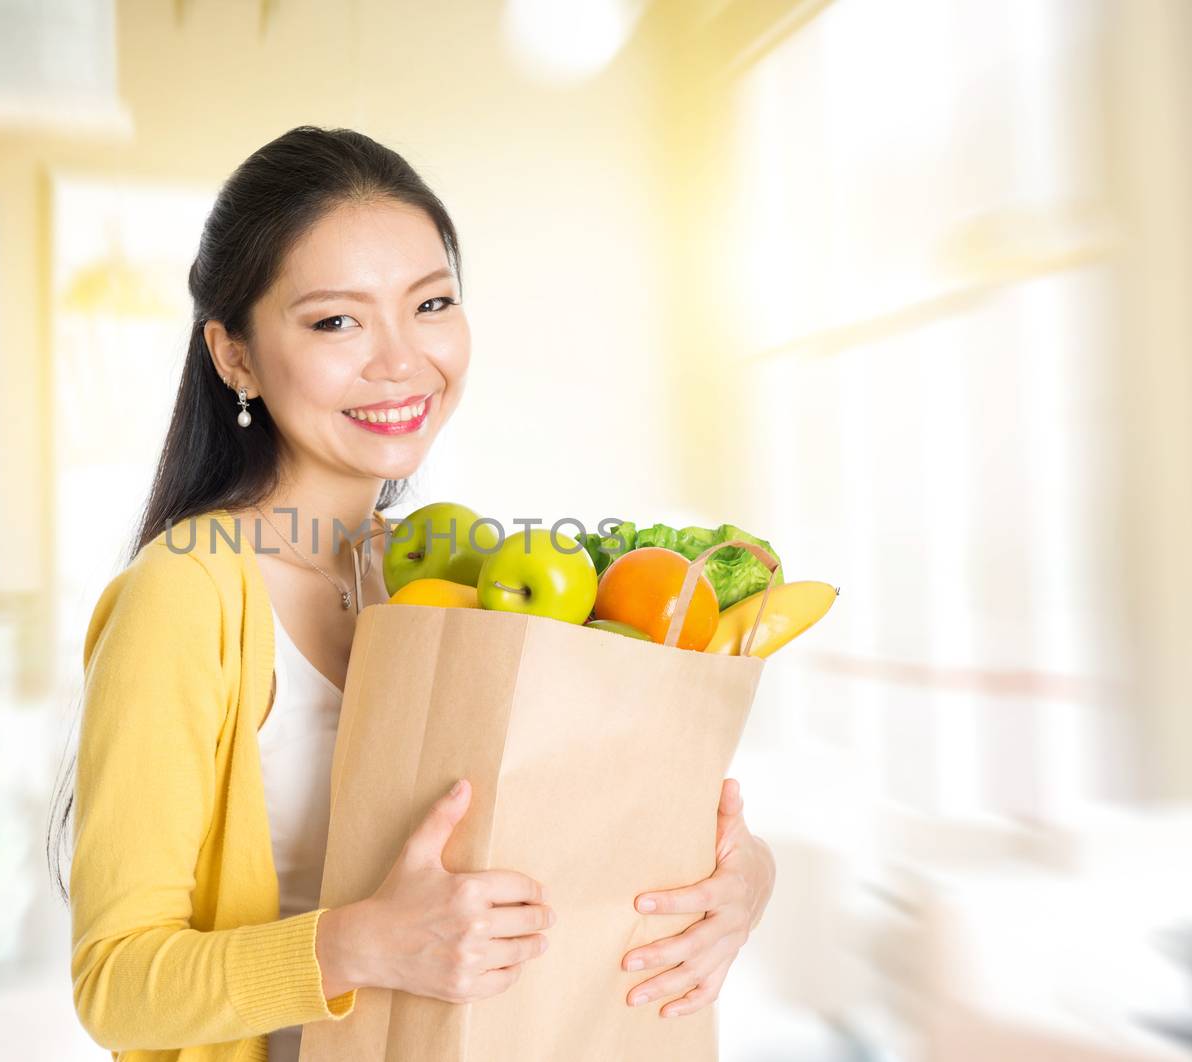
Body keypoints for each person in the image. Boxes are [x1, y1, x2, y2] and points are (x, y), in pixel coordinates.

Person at [51, 125, 776, 1062]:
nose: (400, 360)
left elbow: (574, 821)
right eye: (336, 321)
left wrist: (739, 882)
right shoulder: (186, 595)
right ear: (233, 356)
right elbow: (115, 986)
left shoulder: (455, 577)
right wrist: (362, 944)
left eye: (430, 303)